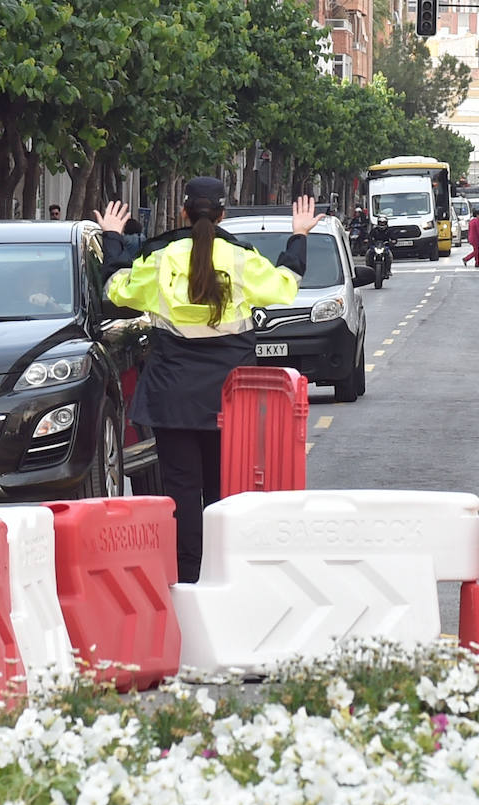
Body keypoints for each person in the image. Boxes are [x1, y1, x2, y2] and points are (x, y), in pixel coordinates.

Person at [94, 177, 320, 583]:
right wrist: (298, 236)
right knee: (224, 490)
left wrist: (112, 239)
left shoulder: (160, 259)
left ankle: (186, 576)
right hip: (230, 398)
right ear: (222, 214)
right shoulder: (241, 259)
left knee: (180, 491)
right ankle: (225, 573)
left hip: (171, 396)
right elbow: (285, 286)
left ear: (183, 211)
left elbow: (116, 290)